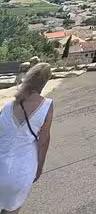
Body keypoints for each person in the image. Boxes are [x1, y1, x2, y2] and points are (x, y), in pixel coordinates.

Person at [0, 62, 54, 213]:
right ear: (45, 81)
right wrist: (40, 167)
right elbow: (43, 142)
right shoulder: (46, 105)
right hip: (21, 170)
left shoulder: (7, 107)